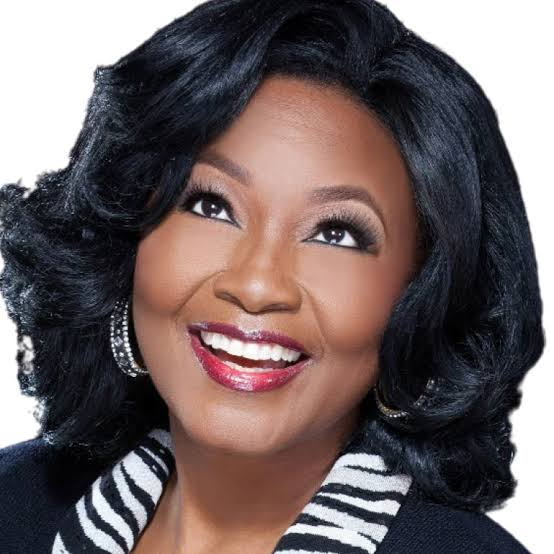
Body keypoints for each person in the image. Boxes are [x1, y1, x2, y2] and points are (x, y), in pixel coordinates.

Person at [0, 0, 543, 552]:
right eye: (212, 205)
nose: (257, 285)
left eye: (336, 233)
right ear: (127, 236)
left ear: (422, 296)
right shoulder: (13, 504)